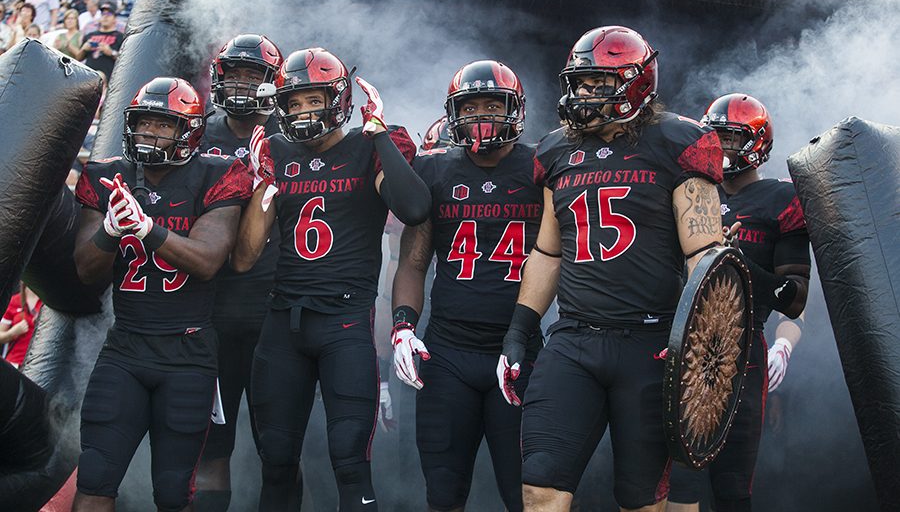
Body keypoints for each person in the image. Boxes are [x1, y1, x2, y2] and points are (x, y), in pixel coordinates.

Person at [496, 26, 725, 512]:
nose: (585, 93)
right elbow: (547, 252)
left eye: (599, 82)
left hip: (651, 344)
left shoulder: (678, 141)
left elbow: (706, 256)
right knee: (539, 489)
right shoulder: (556, 150)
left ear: (635, 83)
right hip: (575, 339)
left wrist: (700, 345)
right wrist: (520, 330)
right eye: (580, 82)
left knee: (642, 502)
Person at [231, 47, 431, 511]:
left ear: (338, 99)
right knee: (276, 461)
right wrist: (262, 183)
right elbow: (243, 259)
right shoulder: (276, 152)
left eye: (313, 99)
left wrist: (379, 134)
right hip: (282, 320)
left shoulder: (369, 145)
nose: (304, 111)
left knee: (349, 463)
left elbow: (414, 207)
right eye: (294, 102)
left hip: (344, 322)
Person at [72, 77, 252, 512]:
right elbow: (85, 271)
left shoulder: (217, 173)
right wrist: (110, 233)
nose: (149, 134)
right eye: (143, 123)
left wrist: (148, 229)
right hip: (126, 348)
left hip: (188, 353)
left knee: (173, 493)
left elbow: (208, 260)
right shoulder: (106, 176)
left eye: (163, 126)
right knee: (94, 477)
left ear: (188, 132)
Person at [392, 60, 542, 512]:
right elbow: (413, 262)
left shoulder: (541, 167)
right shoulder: (435, 171)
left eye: (492, 105)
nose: (481, 116)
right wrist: (403, 326)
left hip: (517, 350)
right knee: (443, 493)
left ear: (513, 110)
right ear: (454, 112)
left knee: (528, 495)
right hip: (448, 353)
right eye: (470, 106)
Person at [666, 93, 810, 512]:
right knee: (676, 485)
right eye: (716, 138)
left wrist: (732, 260)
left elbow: (795, 299)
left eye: (732, 139)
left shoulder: (781, 199)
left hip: (741, 352)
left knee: (732, 488)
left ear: (757, 142)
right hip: (681, 348)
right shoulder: (691, 190)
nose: (723, 148)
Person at [194, 34, 284, 512]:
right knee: (212, 448)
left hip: (276, 312)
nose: (244, 84)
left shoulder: (292, 134)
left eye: (255, 75)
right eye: (236, 73)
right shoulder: (197, 135)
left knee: (281, 449)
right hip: (211, 311)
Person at [0, 283, 42, 368]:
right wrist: (12, 333)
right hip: (14, 363)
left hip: (37, 364)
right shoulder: (14, 301)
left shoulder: (47, 304)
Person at [80, 1, 123, 83]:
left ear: (115, 18)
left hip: (109, 79)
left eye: (109, 14)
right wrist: (84, 49)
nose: (105, 17)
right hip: (88, 78)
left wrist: (111, 52)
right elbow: (78, 58)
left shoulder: (120, 36)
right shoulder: (90, 35)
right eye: (103, 14)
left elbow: (125, 61)